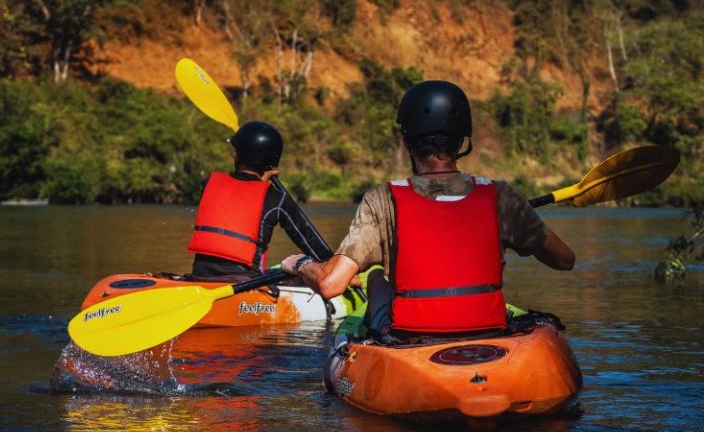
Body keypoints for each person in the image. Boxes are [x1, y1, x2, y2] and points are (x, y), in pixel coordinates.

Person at [281, 80, 575, 341]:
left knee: (376, 279)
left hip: (410, 338)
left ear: (408, 143)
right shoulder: (502, 196)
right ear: (462, 142)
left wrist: (300, 263)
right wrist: (519, 222)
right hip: (488, 334)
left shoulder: (382, 199)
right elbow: (564, 259)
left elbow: (330, 284)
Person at [187, 120, 333, 282]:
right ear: (272, 163)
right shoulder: (276, 197)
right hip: (244, 283)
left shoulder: (209, 183)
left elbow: (238, 199)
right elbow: (309, 240)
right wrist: (334, 266)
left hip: (199, 278)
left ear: (238, 156)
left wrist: (260, 181)